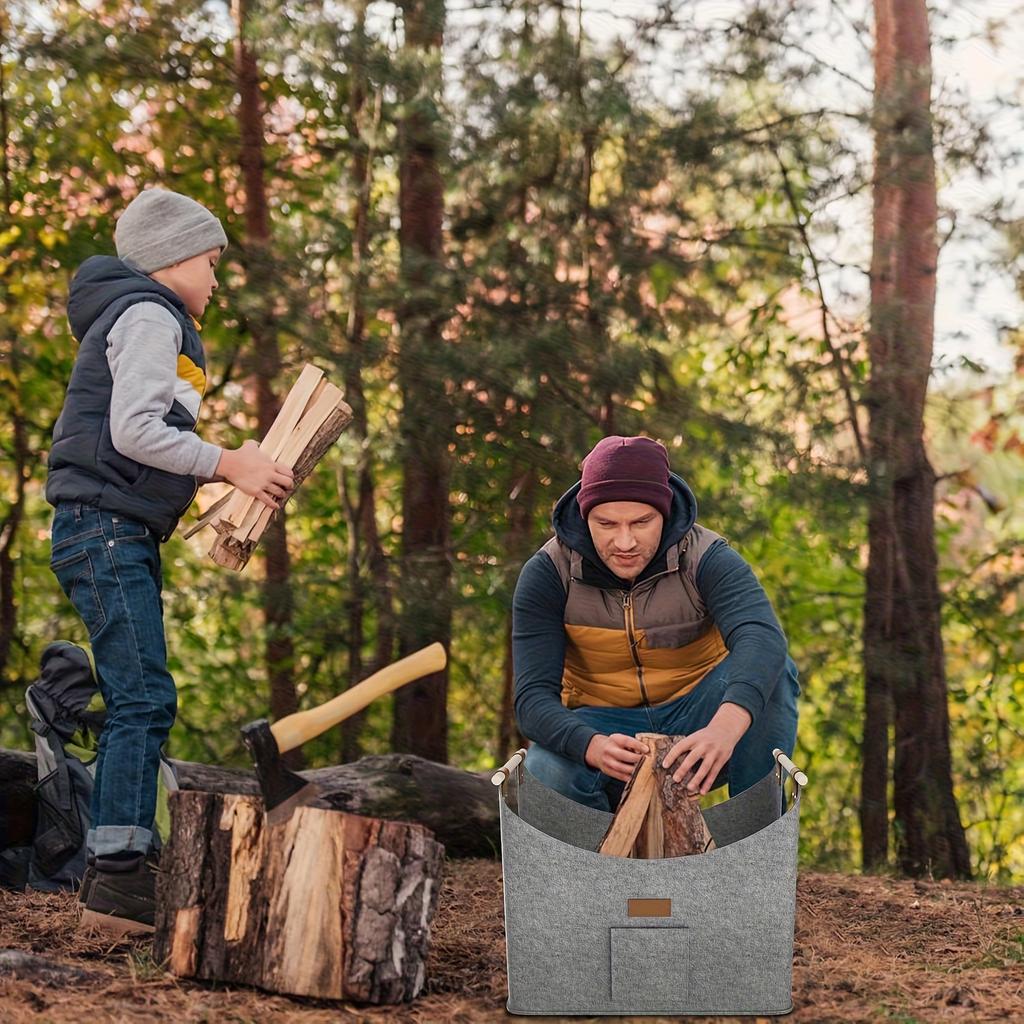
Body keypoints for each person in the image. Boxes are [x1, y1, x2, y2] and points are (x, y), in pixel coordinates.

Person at [45, 188, 294, 934]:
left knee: (140, 691)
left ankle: (112, 871)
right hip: (104, 527)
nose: (218, 279)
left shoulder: (147, 318)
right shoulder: (151, 314)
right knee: (144, 696)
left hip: (113, 529)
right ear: (171, 258)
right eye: (212, 262)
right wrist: (229, 464)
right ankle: (120, 874)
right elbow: (135, 432)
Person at [512, 435, 799, 812]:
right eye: (607, 524)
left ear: (664, 514)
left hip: (701, 719)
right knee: (544, 771)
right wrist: (591, 746)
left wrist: (724, 728)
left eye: (642, 522)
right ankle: (599, 867)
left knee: (776, 673)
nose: (625, 541)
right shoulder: (548, 573)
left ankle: (754, 845)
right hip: (603, 729)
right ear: (585, 517)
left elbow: (762, 638)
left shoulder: (707, 557)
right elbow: (531, 698)